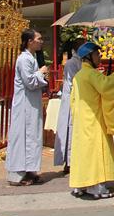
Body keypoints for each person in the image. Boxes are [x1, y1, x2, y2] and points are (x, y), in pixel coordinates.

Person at [69, 42, 114, 200]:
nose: (99, 57)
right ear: (88, 57)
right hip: (94, 119)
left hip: (82, 120)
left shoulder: (80, 75)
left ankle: (81, 185)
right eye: (97, 54)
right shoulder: (91, 74)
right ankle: (97, 188)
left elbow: (73, 100)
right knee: (95, 153)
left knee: (83, 153)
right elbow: (107, 87)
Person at [5, 29, 49, 186]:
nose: (41, 41)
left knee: (32, 137)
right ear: (30, 41)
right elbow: (30, 82)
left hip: (32, 104)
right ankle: (18, 174)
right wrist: (40, 73)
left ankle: (30, 170)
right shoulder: (24, 59)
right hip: (24, 105)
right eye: (39, 38)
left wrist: (39, 73)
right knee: (22, 137)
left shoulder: (32, 58)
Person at [54, 38, 86, 174]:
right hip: (72, 100)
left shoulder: (81, 62)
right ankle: (69, 162)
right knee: (70, 130)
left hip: (80, 99)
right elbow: (75, 82)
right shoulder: (72, 63)